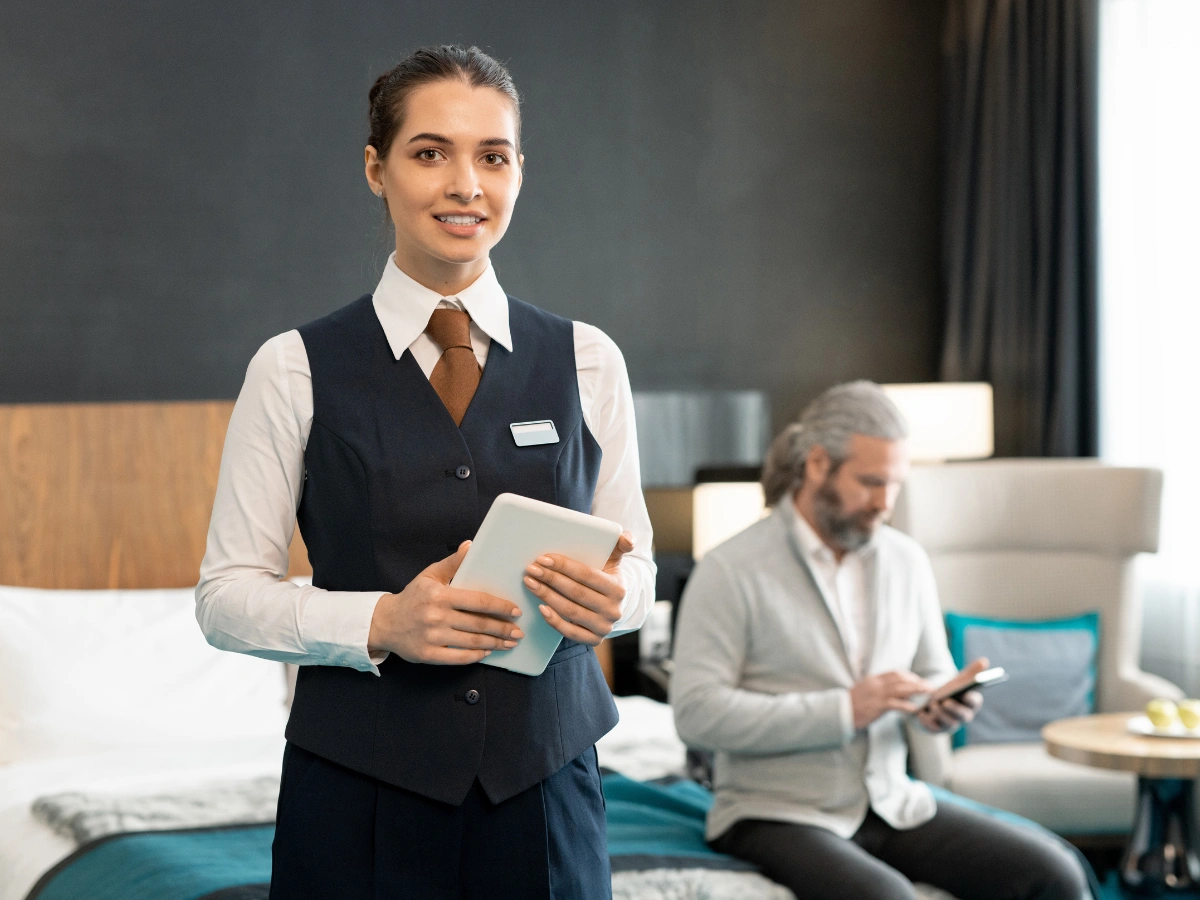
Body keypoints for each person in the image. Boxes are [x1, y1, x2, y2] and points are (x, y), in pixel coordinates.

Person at [196, 45, 654, 900]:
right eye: (430, 152)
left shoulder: (590, 360)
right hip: (357, 801)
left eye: (493, 157)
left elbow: (641, 574)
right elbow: (224, 599)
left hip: (547, 791)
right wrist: (384, 624)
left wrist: (615, 604)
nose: (466, 185)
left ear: (519, 173)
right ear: (377, 169)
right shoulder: (293, 368)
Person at [669, 382, 1088, 900]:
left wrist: (938, 703)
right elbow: (696, 714)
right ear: (818, 464)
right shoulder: (729, 569)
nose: (885, 503)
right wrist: (845, 710)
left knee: (1056, 873)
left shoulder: (906, 560)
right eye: (870, 483)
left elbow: (932, 669)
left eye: (894, 485)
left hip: (893, 802)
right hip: (773, 811)